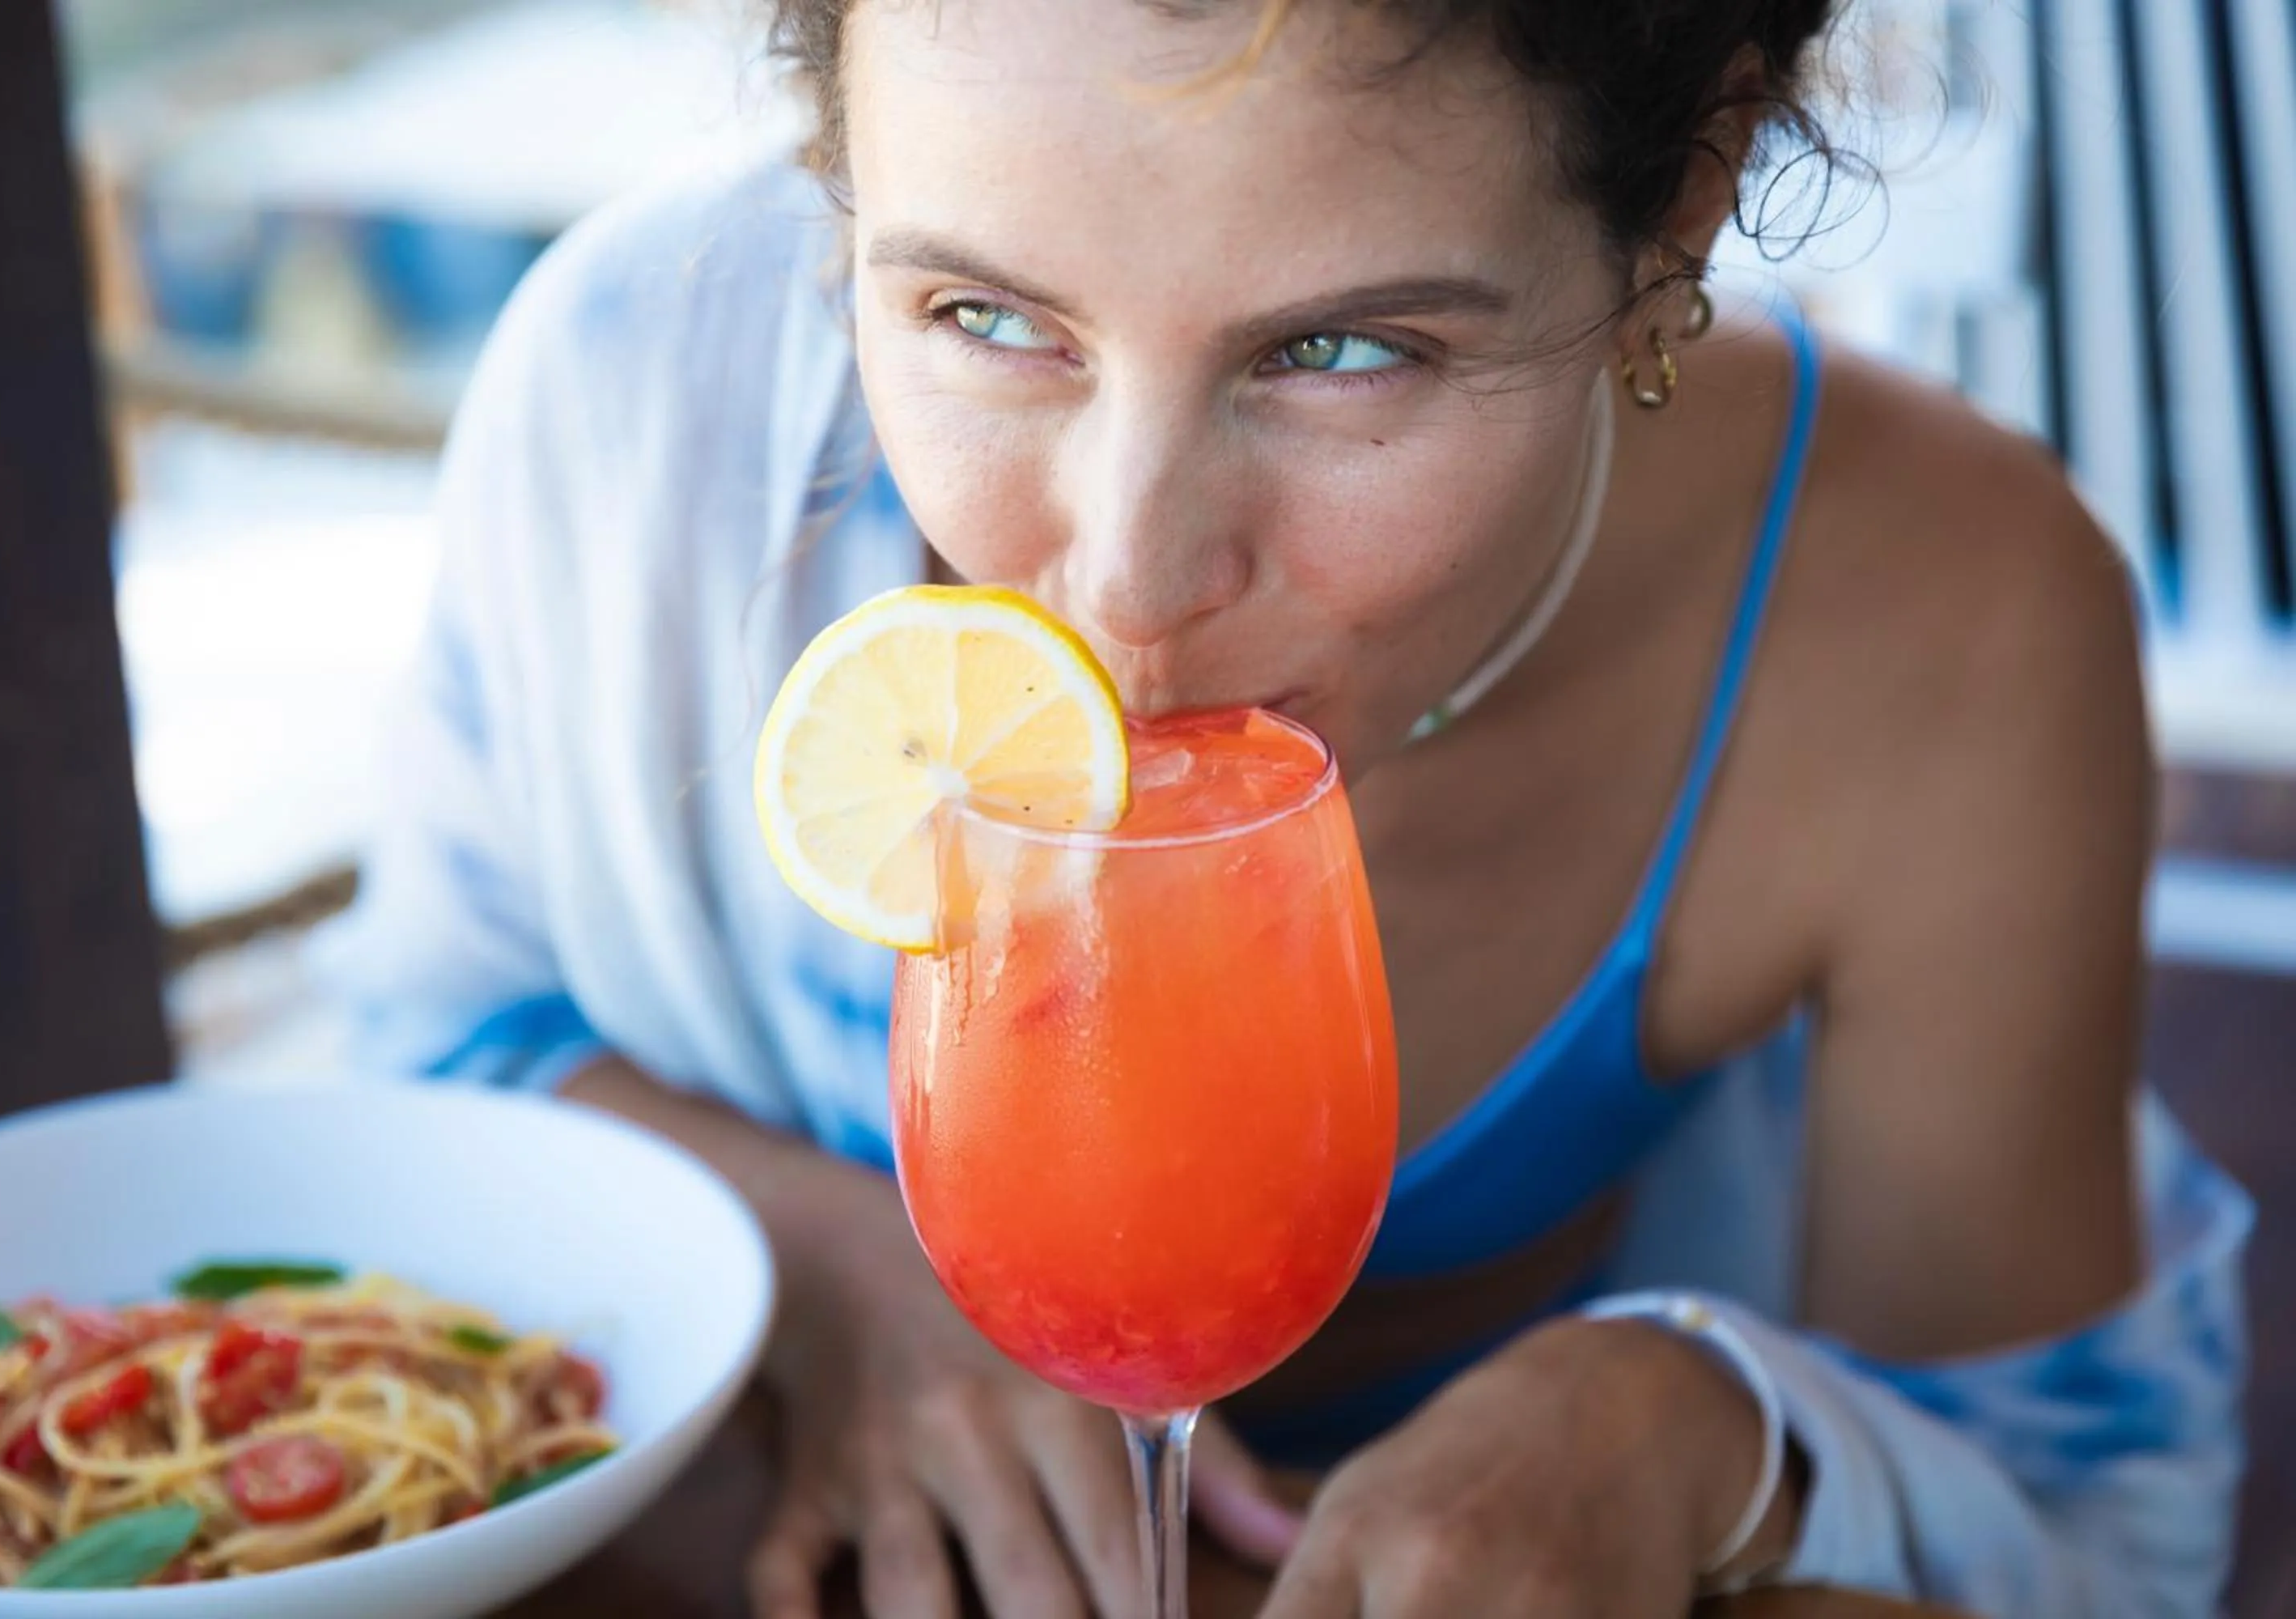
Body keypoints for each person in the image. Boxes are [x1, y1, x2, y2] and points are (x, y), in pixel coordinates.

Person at [324, 0, 2252, 1613]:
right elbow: (430, 1061)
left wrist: (1702, 1429)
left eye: (1343, 353)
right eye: (987, 323)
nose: (1133, 574)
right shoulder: (629, 422)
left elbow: (2081, 1517)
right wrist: (827, 1267)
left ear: (1684, 202)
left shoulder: (1934, 622)